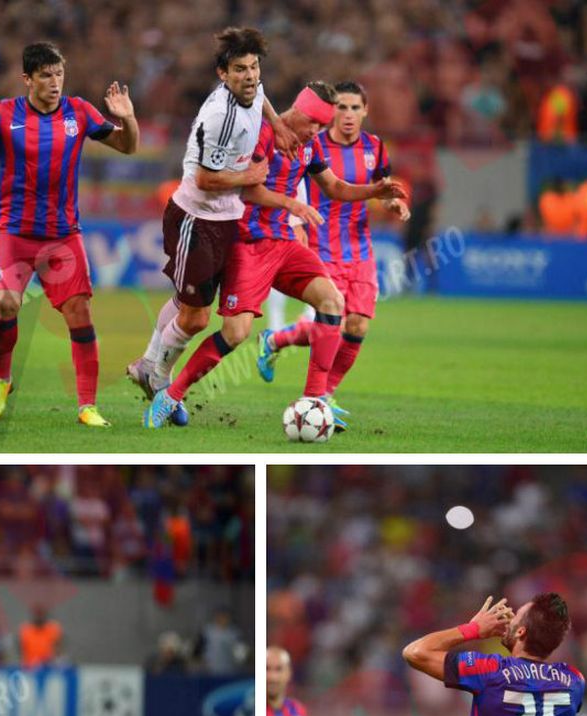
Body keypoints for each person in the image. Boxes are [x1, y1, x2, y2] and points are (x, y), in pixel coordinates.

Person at [143, 82, 407, 429]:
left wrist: (375, 190)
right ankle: (171, 394)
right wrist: (292, 204)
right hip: (249, 243)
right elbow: (248, 189)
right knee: (236, 334)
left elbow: (335, 187)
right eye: (312, 122)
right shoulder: (261, 136)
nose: (315, 132)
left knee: (331, 302)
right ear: (298, 110)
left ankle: (314, 398)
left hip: (284, 242)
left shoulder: (310, 146)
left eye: (320, 126)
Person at [0, 41, 139, 426]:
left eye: (59, 74)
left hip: (63, 237)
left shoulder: (79, 112)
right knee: (5, 305)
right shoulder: (4, 115)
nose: (55, 82)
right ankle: (2, 380)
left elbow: (127, 146)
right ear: (27, 79)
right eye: (46, 76)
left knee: (80, 315)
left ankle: (87, 406)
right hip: (15, 233)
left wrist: (129, 118)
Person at [127, 27, 302, 414]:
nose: (251, 76)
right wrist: (249, 177)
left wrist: (278, 123)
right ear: (223, 73)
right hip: (196, 217)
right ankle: (158, 377)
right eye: (240, 69)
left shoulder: (252, 91)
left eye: (255, 67)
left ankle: (146, 365)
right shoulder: (220, 115)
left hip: (226, 219)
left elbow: (263, 98)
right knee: (196, 317)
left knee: (187, 302)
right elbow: (206, 179)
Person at [259, 81, 411, 416]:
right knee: (332, 322)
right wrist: (296, 224)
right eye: (341, 107)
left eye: (355, 108)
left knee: (357, 326)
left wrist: (393, 205)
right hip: (321, 244)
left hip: (359, 248)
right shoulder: (312, 144)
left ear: (365, 111)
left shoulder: (375, 147)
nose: (348, 115)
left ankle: (296, 363)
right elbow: (295, 184)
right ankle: (317, 396)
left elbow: (380, 191)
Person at [403, 594, 586, 716]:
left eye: (516, 617)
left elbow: (415, 652)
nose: (509, 619)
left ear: (521, 632)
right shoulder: (574, 680)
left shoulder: (491, 671)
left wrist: (473, 629)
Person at [264, 646, 311, 716]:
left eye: (279, 669)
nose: (272, 677)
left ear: (288, 673)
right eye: (267, 669)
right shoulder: (251, 713)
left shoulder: (297, 710)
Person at [18, 604, 63, 668]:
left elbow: (58, 649)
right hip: (30, 666)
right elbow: (21, 650)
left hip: (49, 666)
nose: (39, 617)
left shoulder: (53, 629)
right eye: (37, 615)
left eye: (41, 614)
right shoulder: (25, 630)